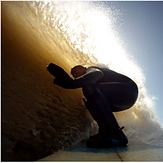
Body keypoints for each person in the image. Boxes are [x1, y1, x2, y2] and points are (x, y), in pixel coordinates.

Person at [47, 63, 138, 148]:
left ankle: (117, 134)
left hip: (128, 89)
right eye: (73, 75)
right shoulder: (89, 78)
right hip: (121, 101)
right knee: (90, 102)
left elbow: (97, 74)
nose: (74, 75)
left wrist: (72, 83)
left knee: (89, 88)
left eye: (75, 72)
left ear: (82, 67)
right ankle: (105, 133)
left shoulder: (92, 69)